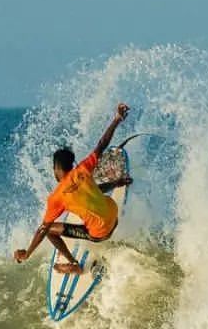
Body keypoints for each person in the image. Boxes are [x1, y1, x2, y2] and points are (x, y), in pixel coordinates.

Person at [14, 102, 133, 275]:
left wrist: (28, 253)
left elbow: (43, 229)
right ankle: (113, 185)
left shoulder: (57, 197)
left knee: (49, 231)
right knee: (90, 189)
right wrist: (117, 119)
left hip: (101, 233)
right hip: (113, 217)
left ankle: (73, 264)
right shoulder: (83, 169)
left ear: (57, 169)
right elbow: (102, 144)